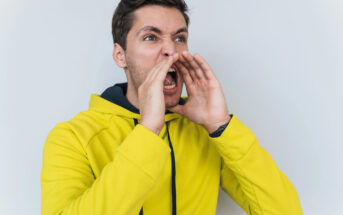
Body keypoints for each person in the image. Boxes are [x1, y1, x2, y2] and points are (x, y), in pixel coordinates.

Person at [40, 0, 303, 214]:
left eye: (179, 38)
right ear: (120, 55)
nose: (170, 50)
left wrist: (221, 126)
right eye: (151, 37)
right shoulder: (72, 138)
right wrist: (147, 132)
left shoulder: (205, 132)